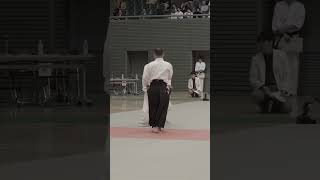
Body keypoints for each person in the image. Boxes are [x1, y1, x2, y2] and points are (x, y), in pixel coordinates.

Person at [250, 32, 291, 113]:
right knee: (256, 95)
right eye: (259, 45)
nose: (261, 47)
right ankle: (267, 104)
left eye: (263, 44)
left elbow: (287, 75)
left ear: (270, 43)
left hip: (278, 89)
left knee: (288, 108)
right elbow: (253, 79)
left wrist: (283, 90)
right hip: (265, 90)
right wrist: (263, 88)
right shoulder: (255, 59)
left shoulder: (282, 56)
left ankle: (273, 105)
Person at [272, 0, 305, 96]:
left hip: (293, 38)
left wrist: (283, 29)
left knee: (293, 65)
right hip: (281, 38)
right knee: (280, 65)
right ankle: (282, 90)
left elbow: (298, 24)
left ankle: (292, 92)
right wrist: (284, 32)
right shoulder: (278, 5)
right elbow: (275, 25)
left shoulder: (300, 6)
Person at [142, 48, 173, 133]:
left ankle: (154, 126)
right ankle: (160, 126)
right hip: (163, 86)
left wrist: (145, 87)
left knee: (153, 106)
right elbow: (170, 76)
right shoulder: (168, 65)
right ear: (163, 54)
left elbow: (145, 78)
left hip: (153, 86)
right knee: (163, 107)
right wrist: (168, 85)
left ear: (154, 54)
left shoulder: (148, 65)